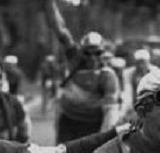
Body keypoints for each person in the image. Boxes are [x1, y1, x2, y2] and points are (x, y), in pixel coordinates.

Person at [46, 0, 121, 142]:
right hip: (68, 118)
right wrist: (49, 4)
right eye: (88, 53)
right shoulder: (75, 58)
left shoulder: (107, 76)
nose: (92, 57)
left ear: (103, 53)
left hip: (93, 122)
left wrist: (102, 139)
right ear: (81, 52)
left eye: (97, 53)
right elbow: (60, 30)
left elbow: (110, 112)